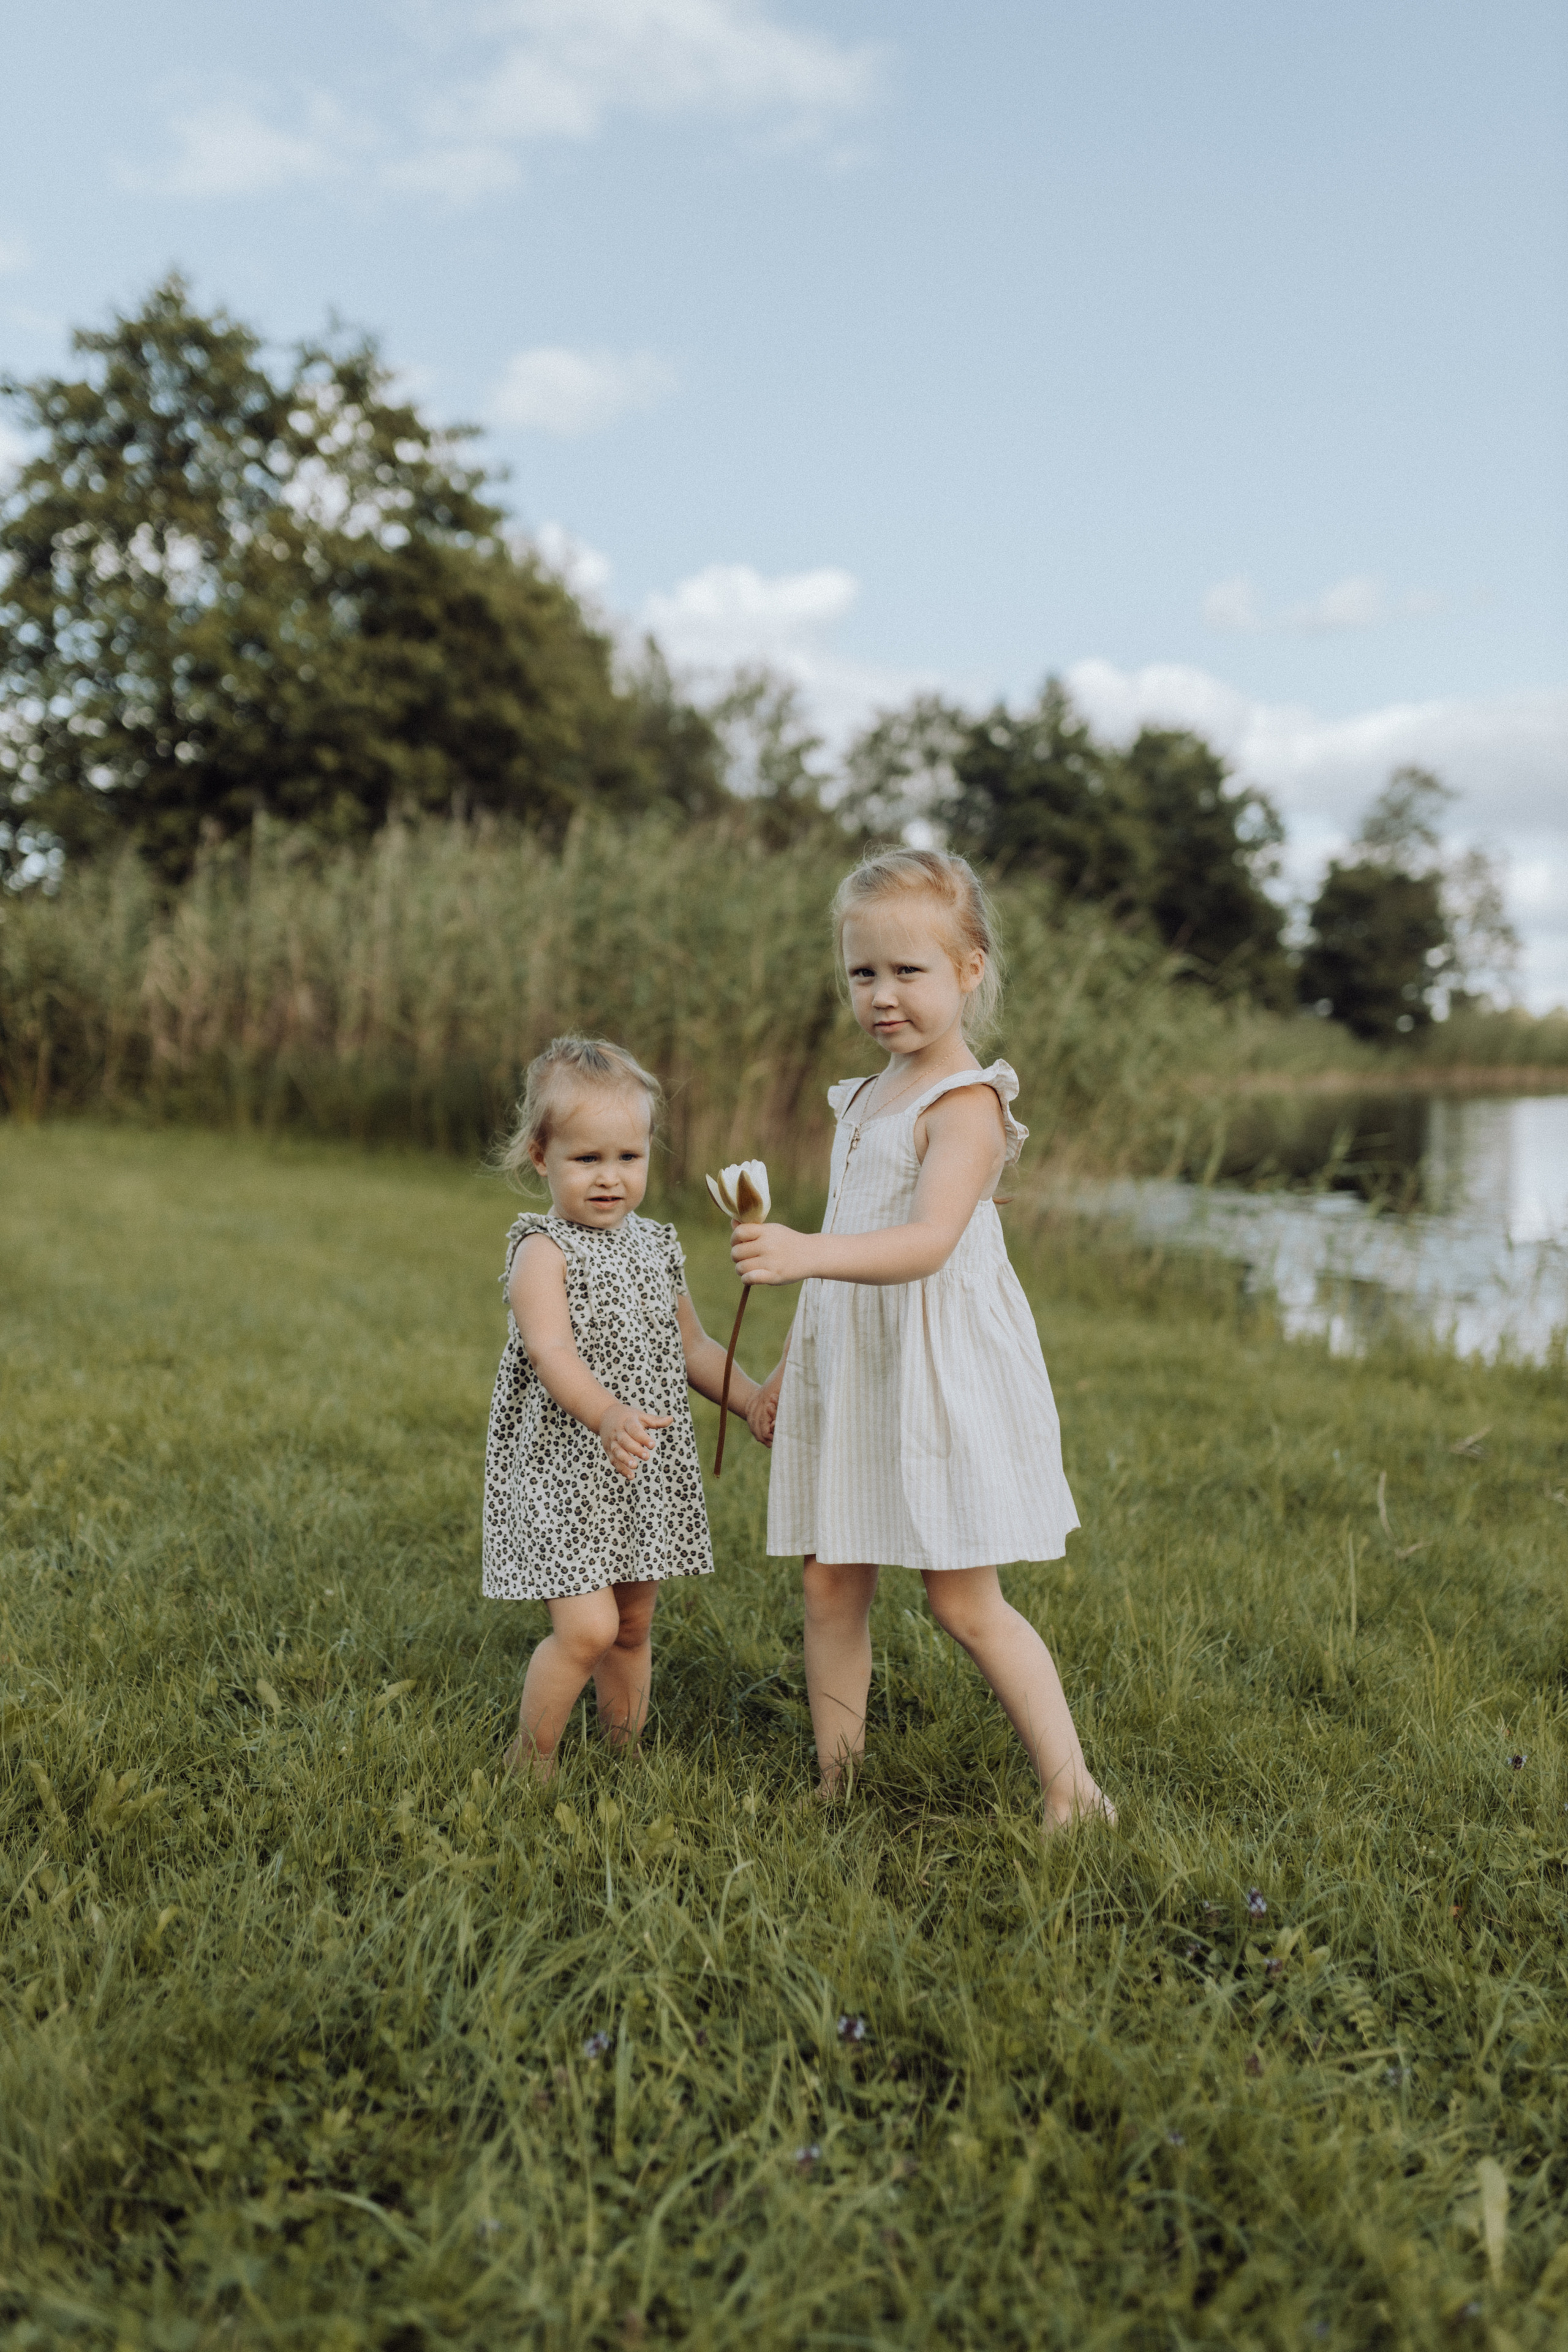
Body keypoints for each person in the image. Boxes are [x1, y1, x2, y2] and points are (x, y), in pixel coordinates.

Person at [740, 849, 1113, 1832]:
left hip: (933, 1369)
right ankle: (839, 1782)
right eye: (864, 972)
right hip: (854, 1364)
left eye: (910, 972)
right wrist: (787, 1366)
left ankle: (1074, 1789)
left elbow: (925, 1243)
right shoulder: (861, 1100)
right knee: (831, 1579)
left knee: (960, 1599)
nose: (883, 995)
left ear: (969, 969)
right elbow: (847, 1264)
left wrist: (802, 1250)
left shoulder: (969, 1103)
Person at [483, 1036, 763, 1779]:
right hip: (568, 1469)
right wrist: (606, 1414)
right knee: (587, 1629)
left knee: (632, 1626)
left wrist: (752, 1399)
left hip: (640, 1469)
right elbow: (552, 1354)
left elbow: (694, 1347)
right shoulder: (542, 1250)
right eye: (586, 1160)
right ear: (542, 1157)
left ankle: (623, 1752)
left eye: (627, 1159)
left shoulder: (657, 1244)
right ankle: (530, 1757)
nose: (610, 1179)